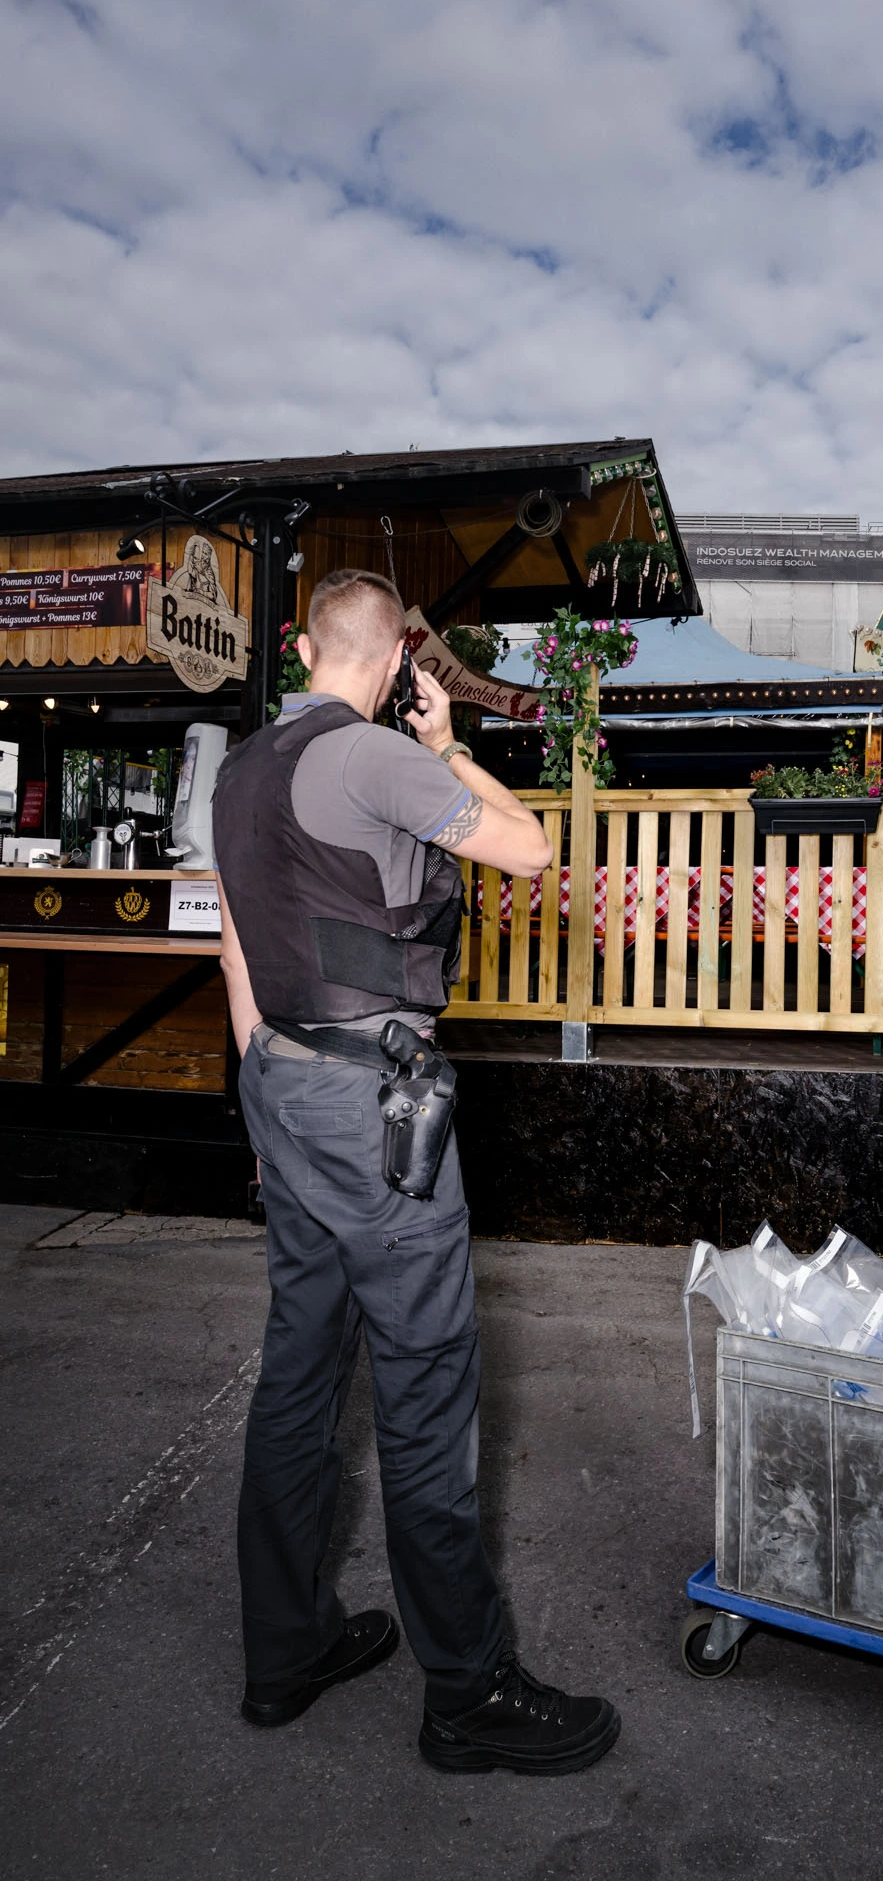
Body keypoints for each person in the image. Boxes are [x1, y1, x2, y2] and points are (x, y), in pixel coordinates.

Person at [212, 568, 620, 1776]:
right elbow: (533, 850)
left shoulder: (240, 769)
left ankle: (284, 1648)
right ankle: (467, 1687)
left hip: (279, 1078)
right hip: (373, 1105)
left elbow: (234, 935)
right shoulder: (377, 758)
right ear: (396, 660)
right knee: (428, 1385)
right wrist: (449, 748)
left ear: (299, 648)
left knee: (298, 1373)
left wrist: (263, 1092)